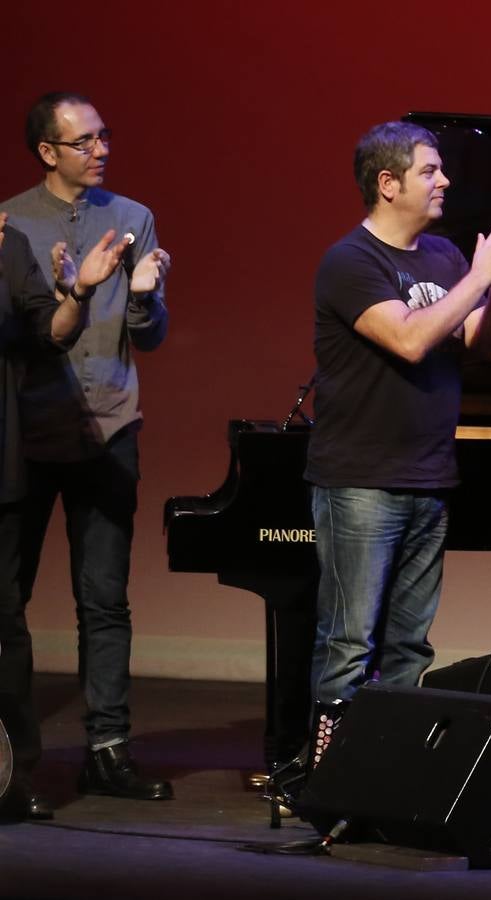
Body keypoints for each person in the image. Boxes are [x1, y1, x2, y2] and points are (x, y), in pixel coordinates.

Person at [306, 121, 491, 713]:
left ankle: (388, 781)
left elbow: (485, 344)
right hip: (361, 482)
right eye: (429, 171)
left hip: (429, 478)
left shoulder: (442, 254)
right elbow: (409, 340)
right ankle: (333, 787)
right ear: (388, 183)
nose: (445, 181)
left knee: (410, 647)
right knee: (350, 644)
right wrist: (481, 277)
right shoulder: (349, 261)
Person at [0, 92, 172, 803]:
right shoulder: (12, 224)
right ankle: (13, 766)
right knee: (6, 603)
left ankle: (108, 749)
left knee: (104, 599)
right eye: (84, 142)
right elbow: (22, 336)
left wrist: (142, 296)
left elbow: (152, 334)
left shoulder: (131, 219)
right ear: (47, 151)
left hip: (109, 427)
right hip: (26, 436)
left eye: (104, 137)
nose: (101, 150)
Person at [0, 214, 117, 820]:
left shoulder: (8, 243)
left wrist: (79, 292)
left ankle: (10, 775)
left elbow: (50, 331)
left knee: (3, 627)